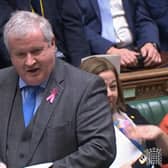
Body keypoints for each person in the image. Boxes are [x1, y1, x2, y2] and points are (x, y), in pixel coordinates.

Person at [0, 11, 116, 168]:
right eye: (20, 54)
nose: (29, 62)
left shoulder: (85, 87)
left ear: (52, 44)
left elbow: (100, 149)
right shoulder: (2, 82)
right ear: (10, 55)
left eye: (36, 51)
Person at [80, 57, 168, 168]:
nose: (109, 93)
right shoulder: (74, 130)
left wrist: (159, 135)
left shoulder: (127, 112)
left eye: (113, 87)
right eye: (101, 88)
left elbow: (161, 158)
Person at [0, 0, 90, 68]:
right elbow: (7, 37)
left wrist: (80, 70)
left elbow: (73, 29)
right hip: (27, 64)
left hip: (64, 58)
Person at [78, 0, 161, 69]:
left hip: (134, 51)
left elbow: (143, 20)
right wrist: (110, 50)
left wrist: (149, 43)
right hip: (97, 56)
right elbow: (78, 27)